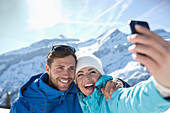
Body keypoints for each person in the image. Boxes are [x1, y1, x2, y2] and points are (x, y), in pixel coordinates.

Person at [75, 25, 170, 113]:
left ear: (101, 75)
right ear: (76, 82)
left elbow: (135, 101)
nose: (86, 77)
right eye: (80, 74)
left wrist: (161, 87)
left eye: (92, 72)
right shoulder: (76, 103)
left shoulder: (111, 96)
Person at [10, 45, 128, 113]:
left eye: (71, 68)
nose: (66, 75)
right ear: (48, 69)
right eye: (60, 68)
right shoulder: (25, 104)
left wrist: (120, 83)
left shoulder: (80, 91)